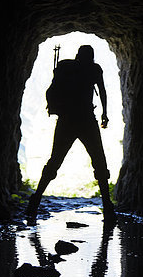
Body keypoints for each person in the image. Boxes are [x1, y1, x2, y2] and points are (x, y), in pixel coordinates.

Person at [26, 44, 116, 223]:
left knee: (55, 160)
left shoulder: (66, 68)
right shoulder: (94, 69)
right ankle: (107, 205)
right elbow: (103, 91)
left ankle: (35, 200)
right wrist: (104, 114)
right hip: (87, 120)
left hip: (66, 120)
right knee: (99, 160)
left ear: (77, 55)